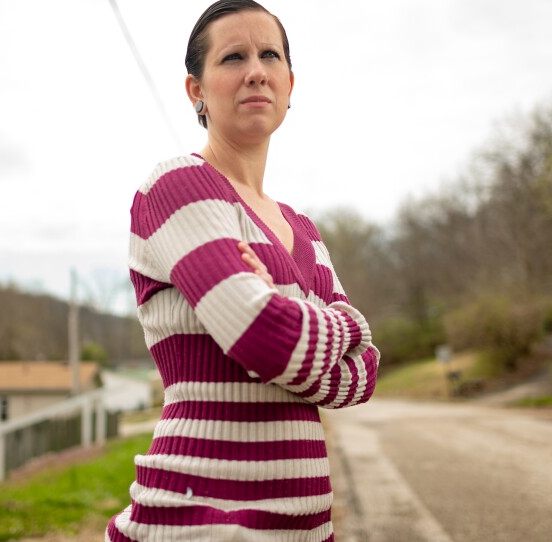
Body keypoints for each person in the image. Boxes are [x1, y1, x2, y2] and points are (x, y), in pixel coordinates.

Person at [105, 1, 380, 540]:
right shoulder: (177, 186)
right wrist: (328, 322)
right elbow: (266, 339)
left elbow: (365, 372)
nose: (256, 69)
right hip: (195, 523)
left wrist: (294, 313)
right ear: (196, 91)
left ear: (289, 82)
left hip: (304, 529)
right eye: (233, 57)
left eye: (269, 55)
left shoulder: (306, 230)